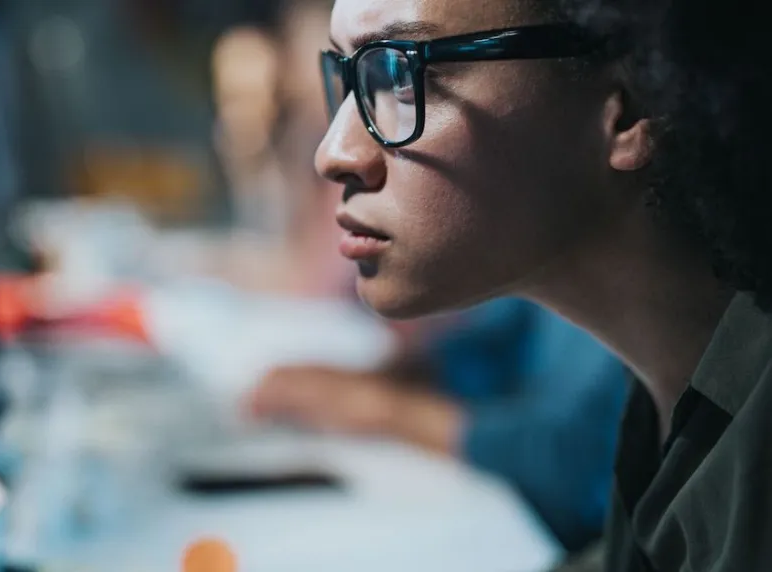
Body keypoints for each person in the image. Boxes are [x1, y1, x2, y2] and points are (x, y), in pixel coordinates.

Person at [313, 0, 772, 569]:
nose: (333, 154)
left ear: (632, 105)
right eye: (346, 73)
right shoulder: (666, 387)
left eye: (402, 77)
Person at [250, 297, 628, 553]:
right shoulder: (552, 249)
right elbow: (488, 348)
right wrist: (381, 379)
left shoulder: (621, 276)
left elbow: (573, 459)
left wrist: (387, 410)